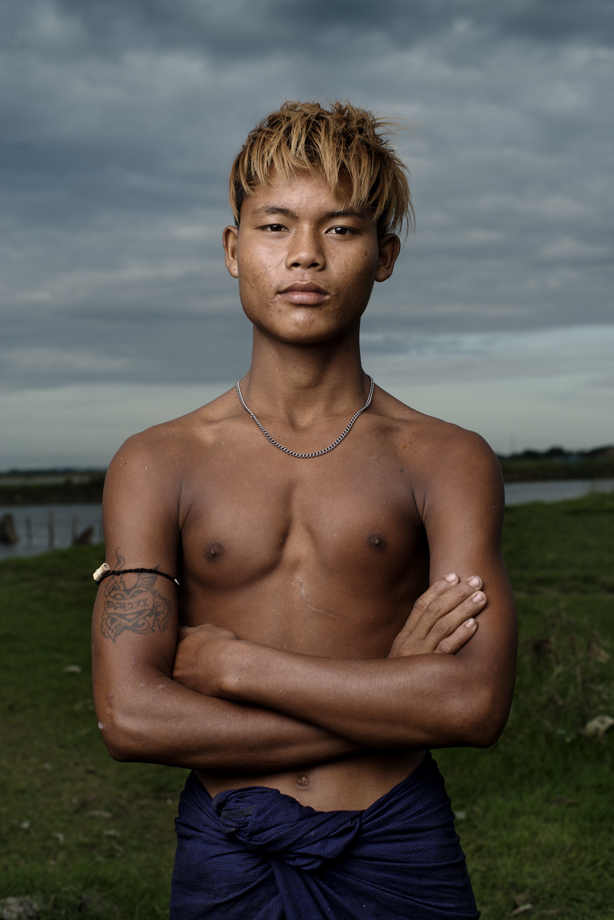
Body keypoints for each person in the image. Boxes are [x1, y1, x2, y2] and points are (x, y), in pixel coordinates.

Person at [92, 101, 516, 919]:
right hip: (230, 844)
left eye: (343, 230)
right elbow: (131, 718)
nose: (305, 257)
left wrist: (236, 669)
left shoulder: (445, 459)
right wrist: (394, 693)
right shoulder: (157, 463)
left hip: (396, 841)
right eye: (275, 226)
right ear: (233, 249)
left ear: (384, 255)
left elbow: (474, 705)